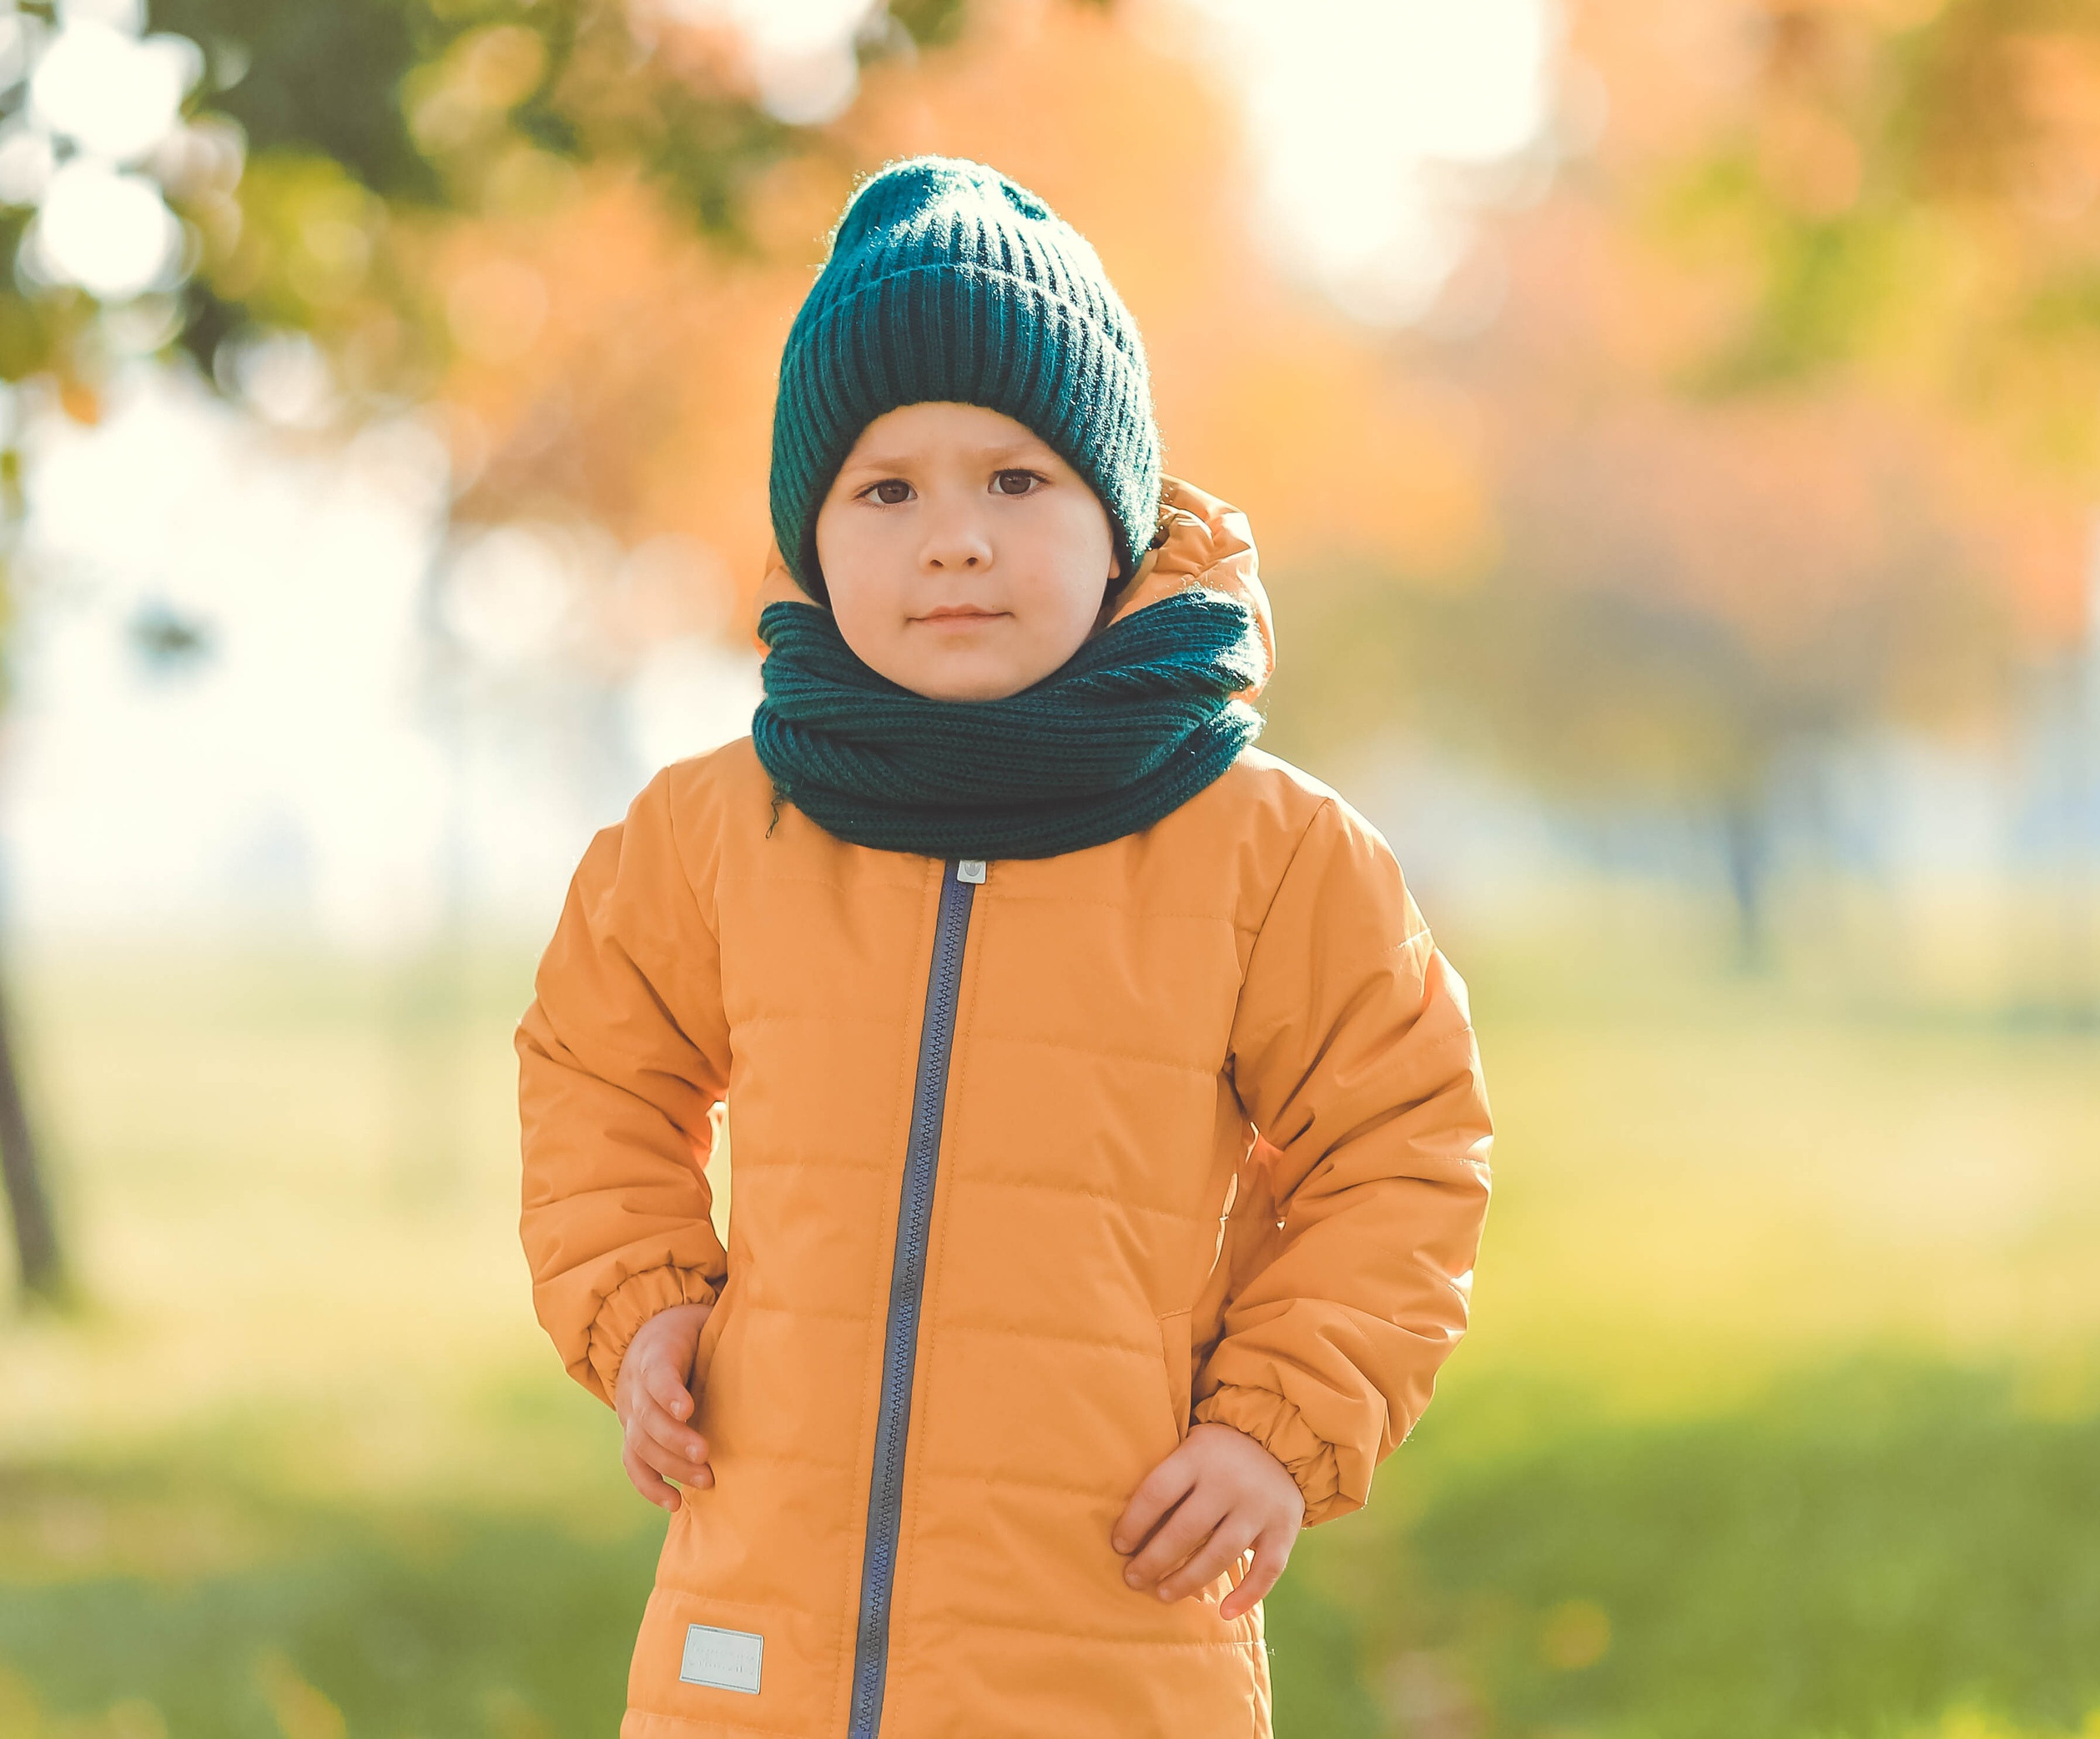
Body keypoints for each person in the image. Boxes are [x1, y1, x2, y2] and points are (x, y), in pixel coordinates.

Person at [517, 154, 1493, 1738]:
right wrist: (641, 1305)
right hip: (756, 1644)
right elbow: (592, 1071)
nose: (953, 540)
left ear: (1115, 517)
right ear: (811, 537)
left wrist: (1277, 1428)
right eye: (886, 490)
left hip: (1108, 1639)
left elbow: (1401, 1145)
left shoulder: (1268, 850)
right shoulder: (712, 836)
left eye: (1017, 482)